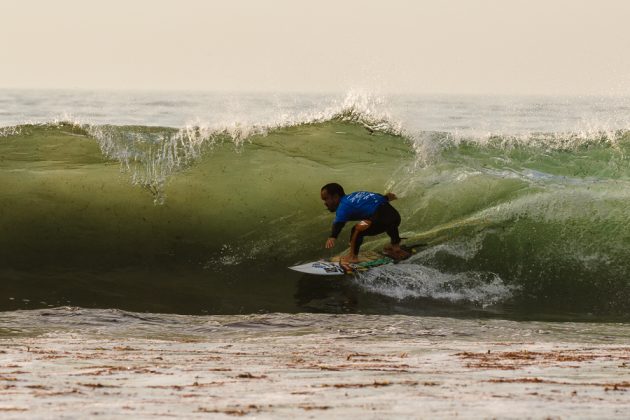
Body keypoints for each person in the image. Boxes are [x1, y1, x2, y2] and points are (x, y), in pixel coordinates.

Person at [320, 182, 410, 263]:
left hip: (380, 219)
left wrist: (333, 236)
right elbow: (379, 197)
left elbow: (338, 224)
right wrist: (389, 197)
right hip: (395, 216)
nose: (325, 203)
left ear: (335, 196)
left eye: (325, 199)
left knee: (357, 229)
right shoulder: (355, 195)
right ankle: (396, 248)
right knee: (389, 223)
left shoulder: (343, 206)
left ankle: (352, 257)